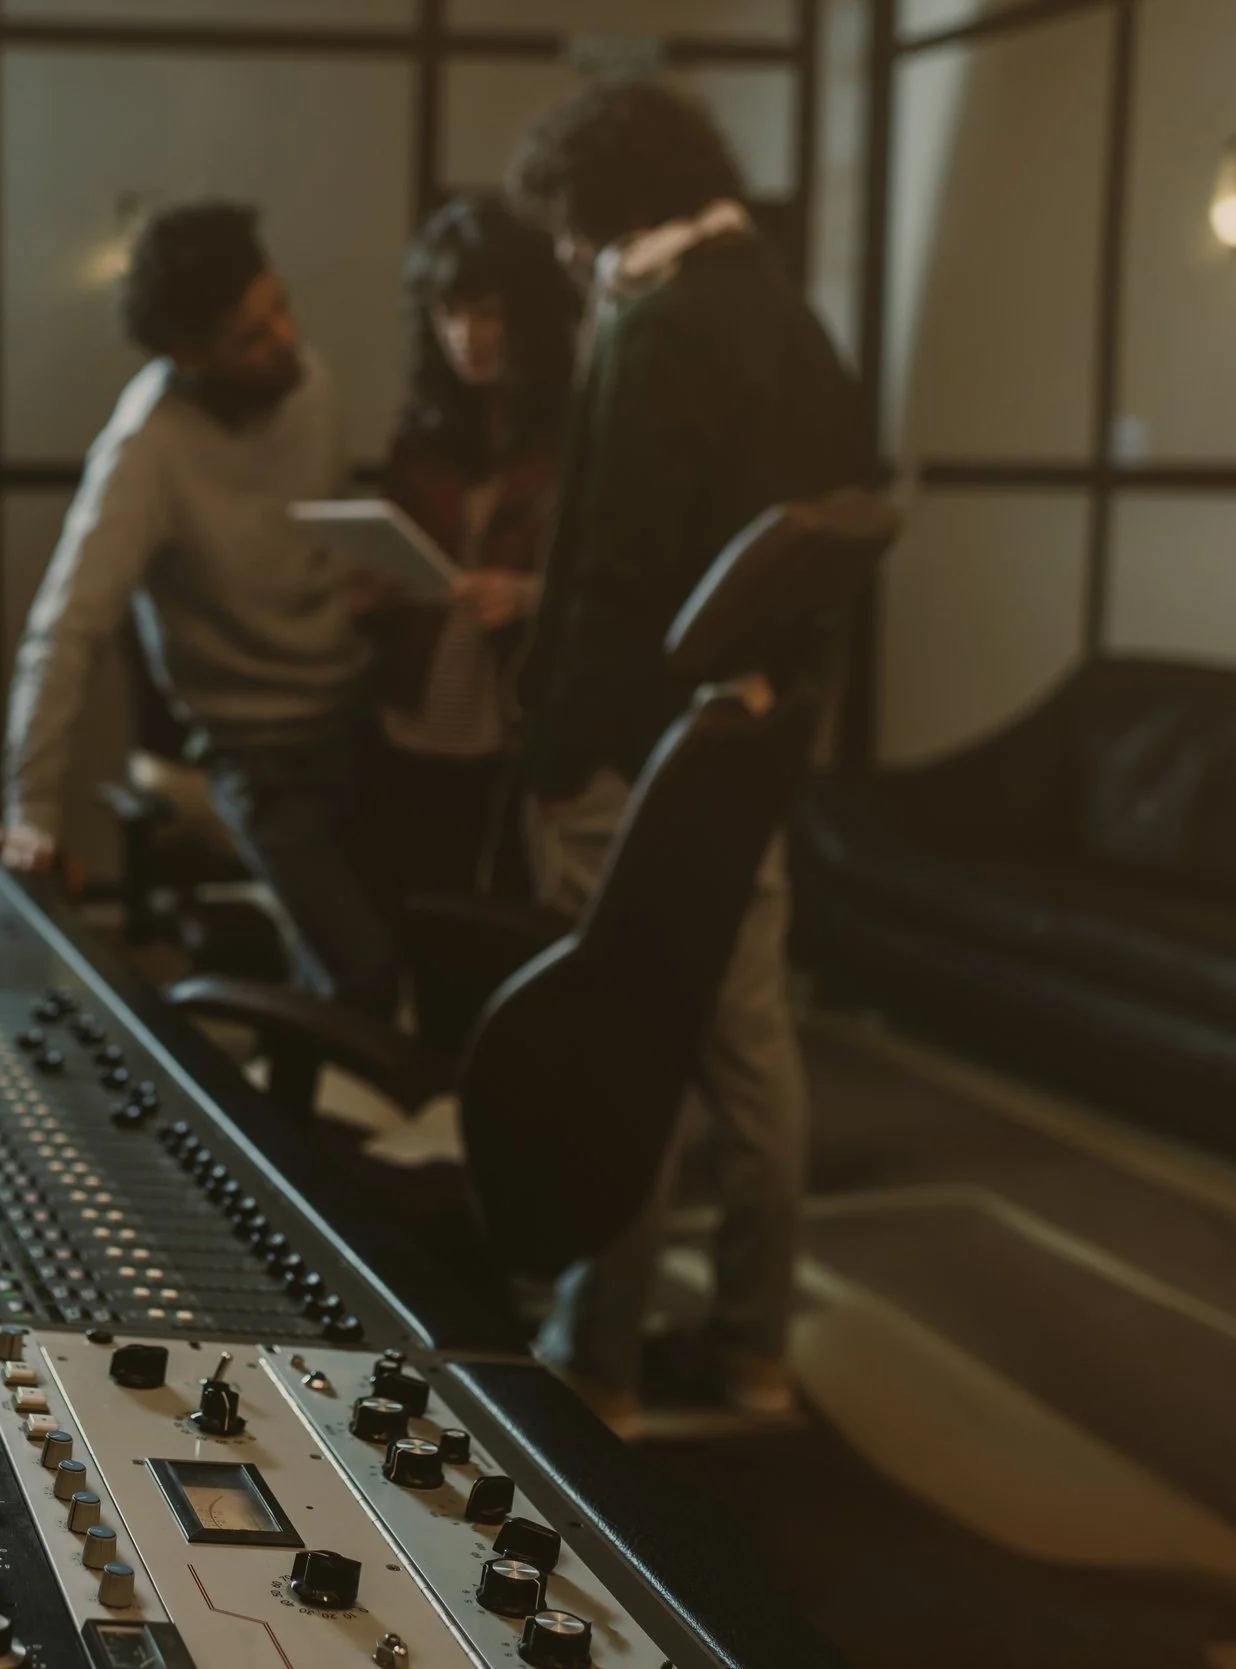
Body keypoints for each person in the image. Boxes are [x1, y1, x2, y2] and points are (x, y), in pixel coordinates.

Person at [508, 82, 872, 1432]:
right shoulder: (797, 324)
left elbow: (615, 573)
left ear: (607, 200)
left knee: (623, 1040)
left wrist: (555, 753)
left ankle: (596, 1353)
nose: (562, 245)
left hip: (635, 749)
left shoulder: (651, 327)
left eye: (565, 214)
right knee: (752, 1048)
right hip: (752, 739)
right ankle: (753, 1347)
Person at [0, 200, 394, 1012]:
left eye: (281, 307)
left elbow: (312, 541)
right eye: (252, 335)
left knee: (417, 950)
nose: (286, 337)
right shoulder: (146, 448)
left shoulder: (307, 380)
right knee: (368, 972)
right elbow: (64, 633)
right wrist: (31, 810)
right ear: (191, 355)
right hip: (258, 757)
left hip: (359, 717)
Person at [359, 194, 578, 953]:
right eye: (449, 313)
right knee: (419, 917)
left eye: (486, 313)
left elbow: (606, 588)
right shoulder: (422, 436)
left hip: (513, 721)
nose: (465, 336)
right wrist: (371, 591)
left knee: (504, 925)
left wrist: (528, 597)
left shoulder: (573, 433)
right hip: (413, 713)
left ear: (528, 317)